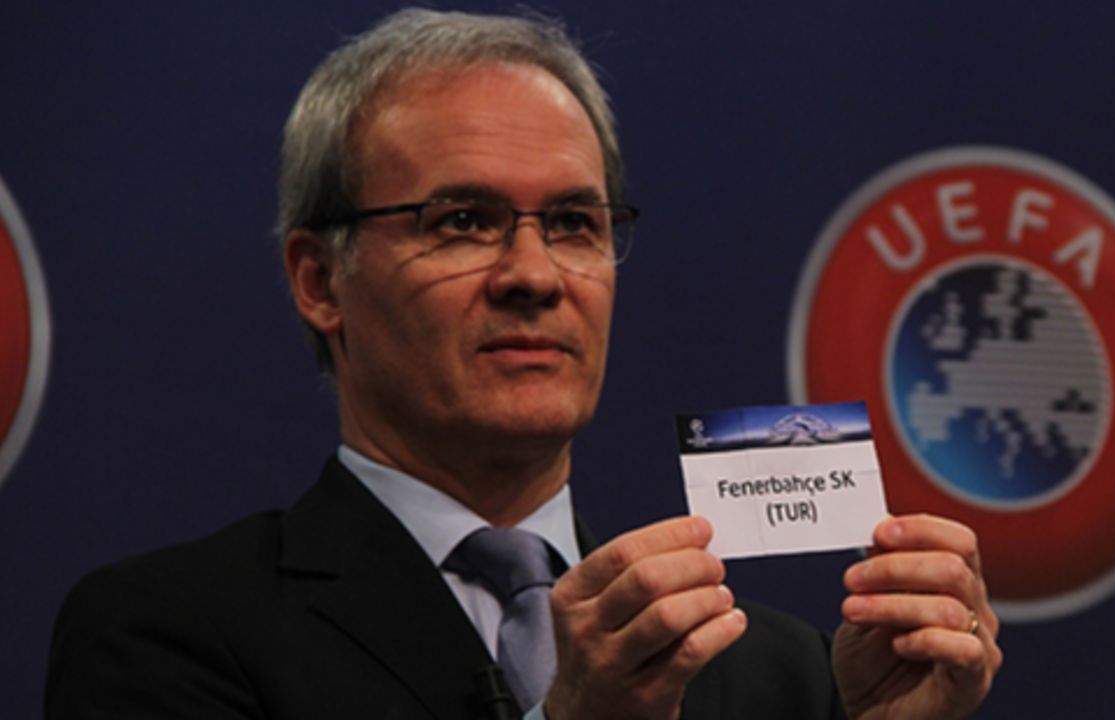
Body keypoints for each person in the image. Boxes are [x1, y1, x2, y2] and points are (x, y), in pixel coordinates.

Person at [46, 8, 1001, 719]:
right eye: (463, 221)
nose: (535, 276)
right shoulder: (166, 636)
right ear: (319, 280)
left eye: (576, 223)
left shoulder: (782, 675)